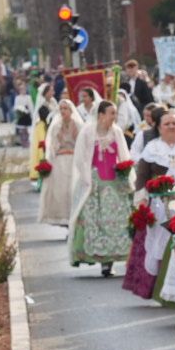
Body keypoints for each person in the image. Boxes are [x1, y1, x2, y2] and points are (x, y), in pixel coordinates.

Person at [68, 100, 133, 276]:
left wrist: (125, 172)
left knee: (117, 222)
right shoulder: (88, 132)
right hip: (95, 183)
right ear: (101, 114)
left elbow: (124, 155)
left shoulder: (117, 132)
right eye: (111, 113)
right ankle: (100, 260)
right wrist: (88, 178)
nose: (114, 116)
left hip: (114, 183)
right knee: (95, 221)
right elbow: (80, 158)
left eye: (115, 113)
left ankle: (111, 262)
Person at [38, 99, 81, 226]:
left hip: (74, 161)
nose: (63, 111)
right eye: (61, 109)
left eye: (65, 109)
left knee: (73, 190)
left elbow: (82, 144)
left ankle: (75, 218)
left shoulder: (77, 124)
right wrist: (49, 159)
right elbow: (51, 145)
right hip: (60, 161)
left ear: (71, 110)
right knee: (61, 191)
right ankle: (64, 219)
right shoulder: (56, 126)